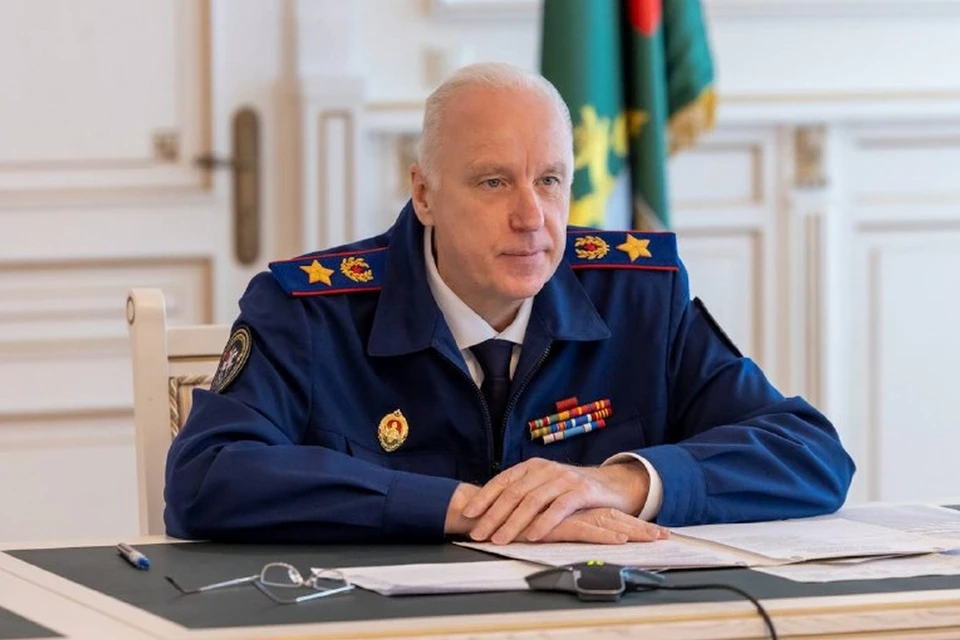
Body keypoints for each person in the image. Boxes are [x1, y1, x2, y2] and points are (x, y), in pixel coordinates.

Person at [164, 62, 855, 545]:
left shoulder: (638, 295)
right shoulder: (310, 310)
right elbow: (206, 476)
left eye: (550, 180)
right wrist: (464, 508)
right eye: (494, 182)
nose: (532, 218)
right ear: (425, 194)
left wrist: (618, 483)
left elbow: (810, 454)